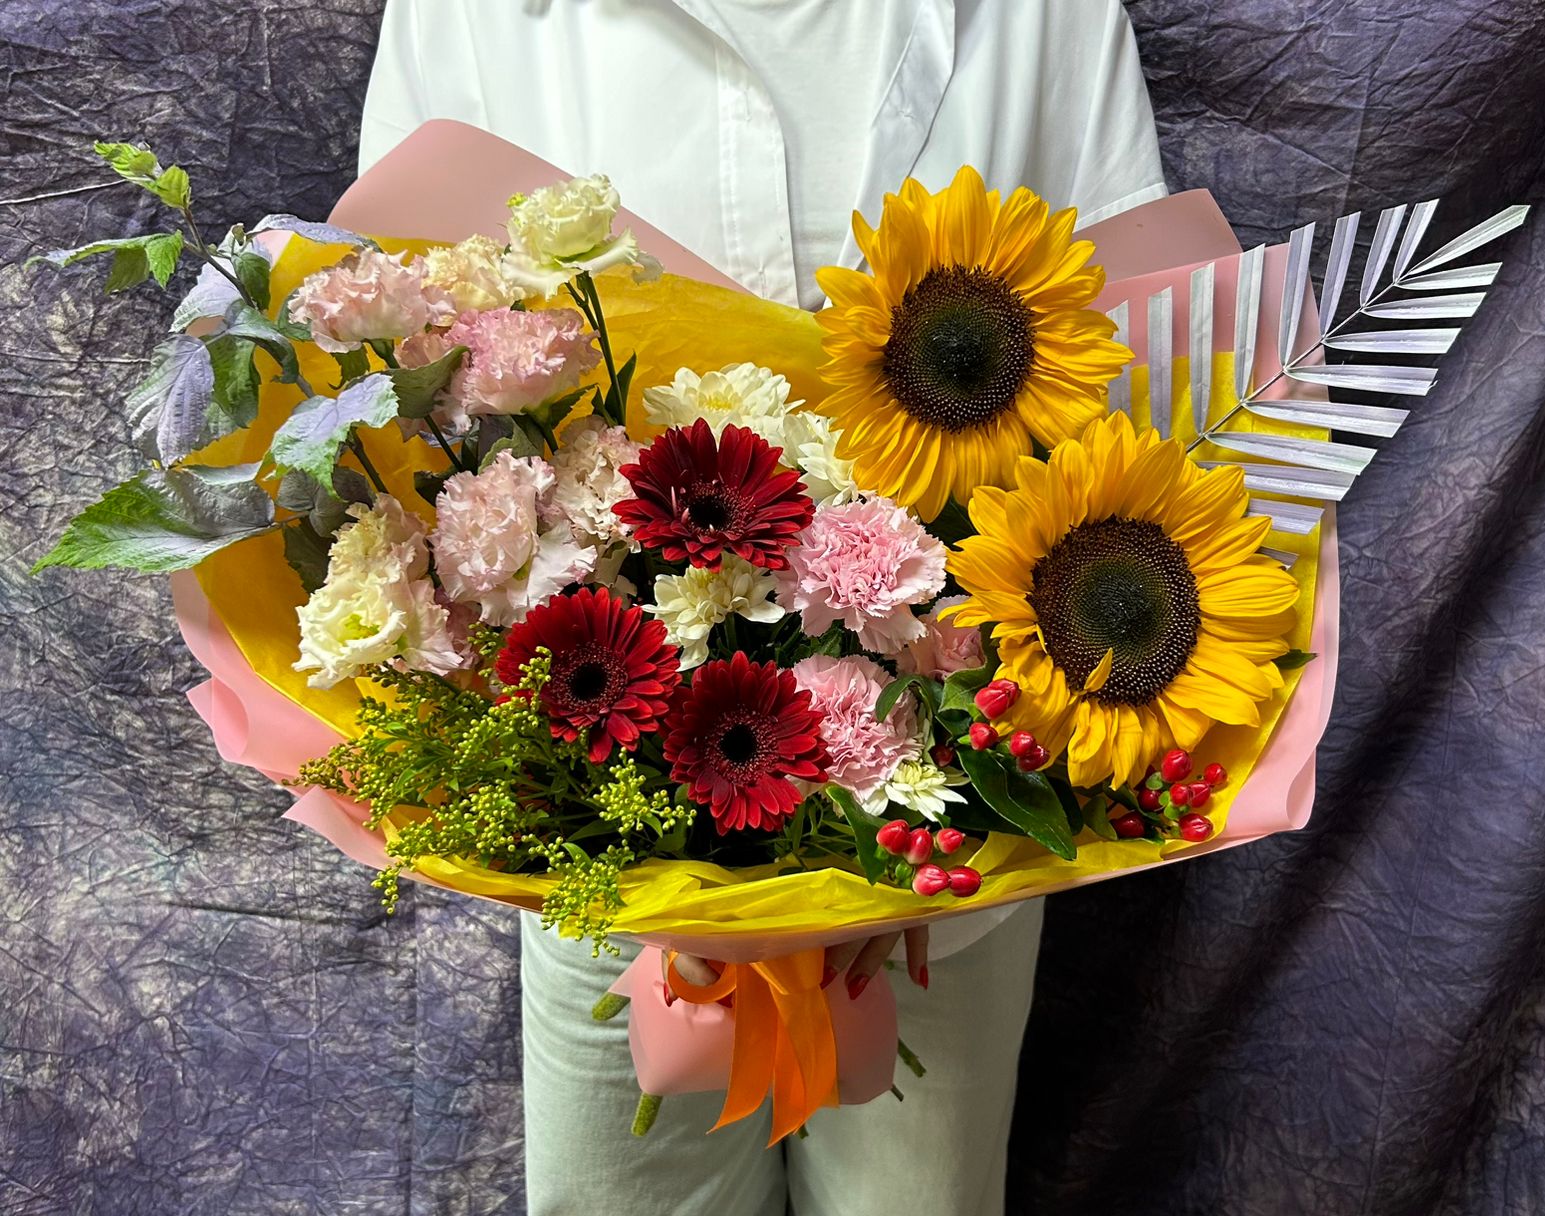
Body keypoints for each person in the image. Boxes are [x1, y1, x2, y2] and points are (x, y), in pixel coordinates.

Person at [359, 3, 1166, 1212]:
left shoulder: (1045, 14)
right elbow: (405, 390)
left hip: (946, 860)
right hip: (602, 845)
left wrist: (936, 782)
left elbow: (1133, 372)